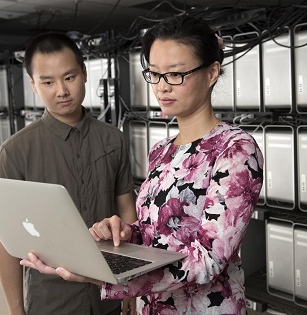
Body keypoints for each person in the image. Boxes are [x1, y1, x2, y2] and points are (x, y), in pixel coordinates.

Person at [21, 16, 264, 315]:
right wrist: (125, 233)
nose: (162, 87)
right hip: (154, 308)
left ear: (212, 72)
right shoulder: (161, 151)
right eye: (154, 74)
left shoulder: (235, 149)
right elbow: (156, 234)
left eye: (175, 74)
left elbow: (209, 260)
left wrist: (107, 276)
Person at [0, 32, 137, 315]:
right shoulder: (15, 152)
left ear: (84, 73)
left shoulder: (114, 139)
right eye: (47, 82)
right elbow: (6, 241)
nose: (61, 90)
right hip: (51, 300)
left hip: (107, 289)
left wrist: (131, 284)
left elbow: (126, 209)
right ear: (34, 85)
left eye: (69, 77)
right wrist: (15, 310)